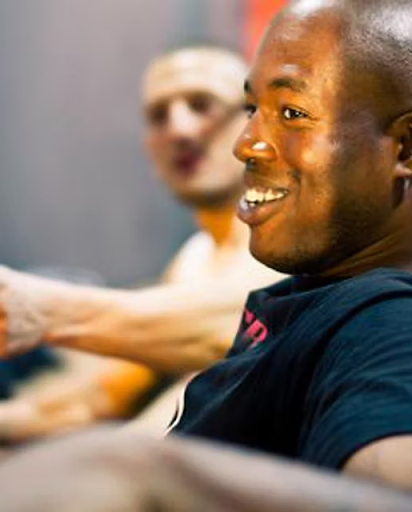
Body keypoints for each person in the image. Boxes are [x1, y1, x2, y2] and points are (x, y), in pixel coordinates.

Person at [0, 0, 412, 510]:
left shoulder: (403, 330)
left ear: (411, 145)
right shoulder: (307, 293)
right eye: (251, 111)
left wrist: (138, 476)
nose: (245, 144)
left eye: (291, 114)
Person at [0, 46, 279, 441]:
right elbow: (94, 402)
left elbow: (243, 328)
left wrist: (38, 307)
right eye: (158, 115)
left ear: (256, 121)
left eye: (203, 105)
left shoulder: (292, 239)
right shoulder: (195, 257)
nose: (179, 129)